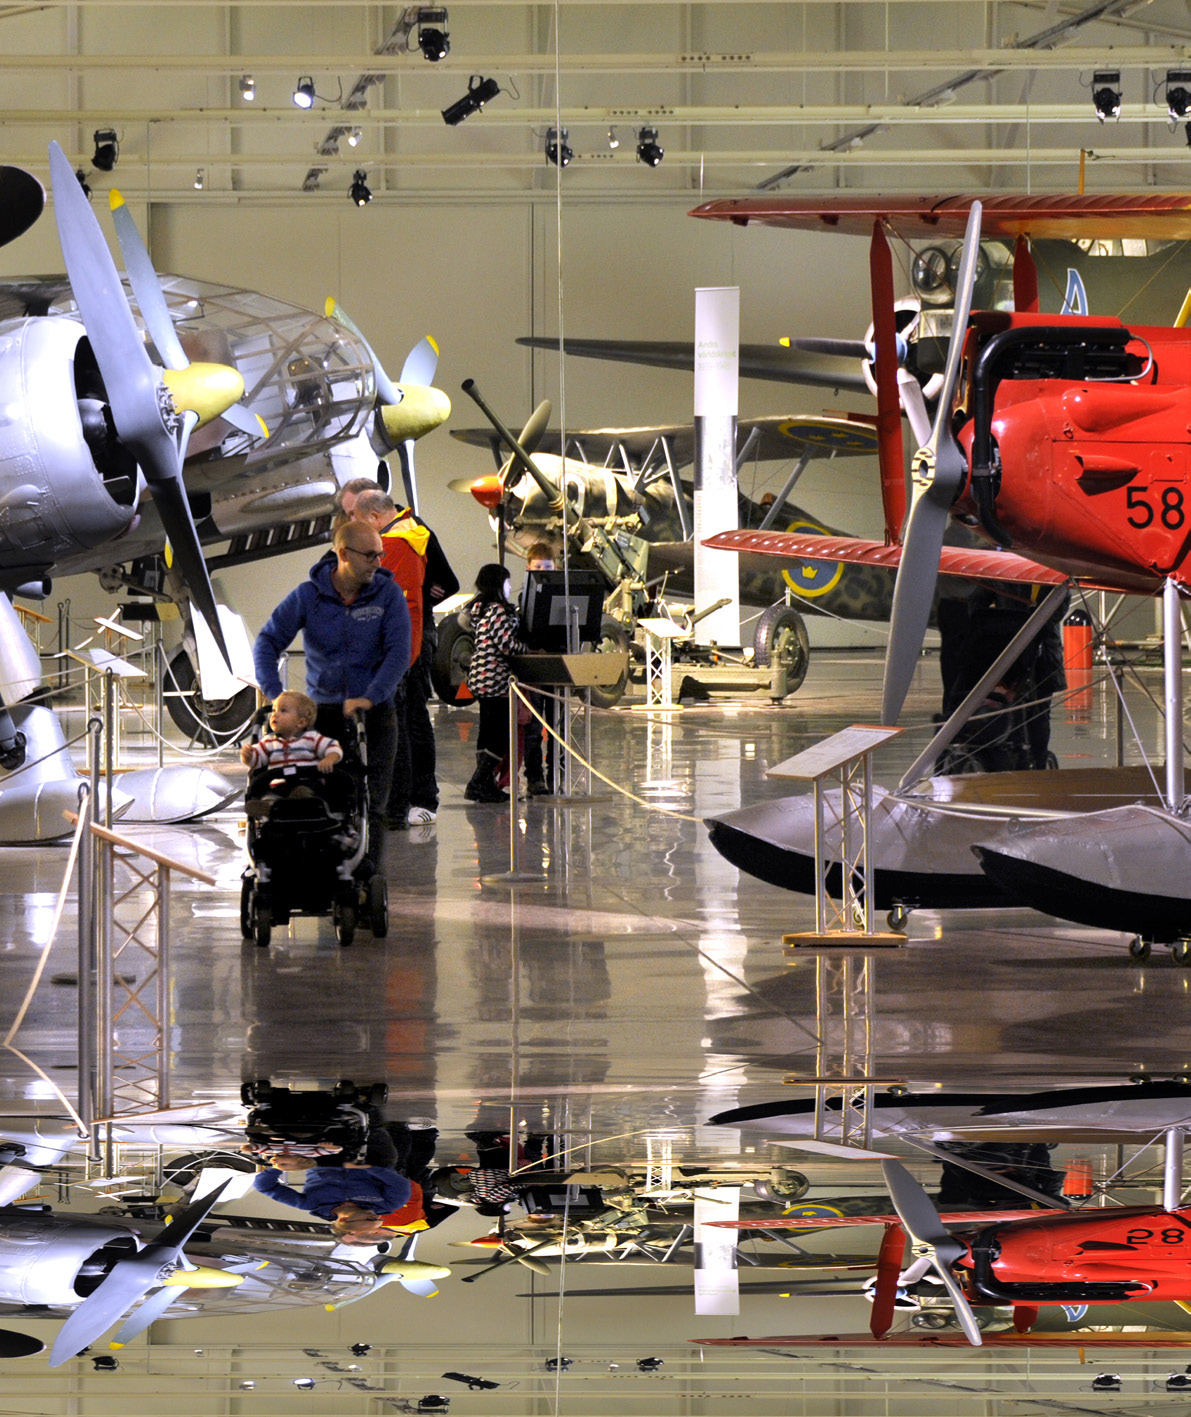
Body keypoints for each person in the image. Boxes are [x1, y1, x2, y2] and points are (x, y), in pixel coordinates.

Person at [252, 522, 411, 869]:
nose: (378, 562)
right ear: (343, 554)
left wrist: (371, 696)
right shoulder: (308, 595)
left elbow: (399, 652)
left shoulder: (388, 595)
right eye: (370, 555)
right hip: (322, 716)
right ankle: (329, 876)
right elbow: (267, 642)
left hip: (375, 715)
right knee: (326, 796)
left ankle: (369, 878)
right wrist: (275, 693)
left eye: (380, 554)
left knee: (374, 804)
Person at [464, 564, 528, 804]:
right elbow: (507, 644)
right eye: (507, 582)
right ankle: (478, 782)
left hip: (480, 679)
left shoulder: (480, 610)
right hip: (495, 680)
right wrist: (527, 650)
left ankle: (485, 784)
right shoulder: (498, 611)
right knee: (500, 735)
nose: (510, 587)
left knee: (486, 732)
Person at [239, 691, 349, 816]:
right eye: (274, 710)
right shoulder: (269, 741)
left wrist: (329, 759)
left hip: (306, 782)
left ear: (301, 722)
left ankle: (282, 809)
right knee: (269, 796)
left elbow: (332, 747)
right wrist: (248, 756)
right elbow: (258, 760)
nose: (275, 715)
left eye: (283, 711)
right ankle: (271, 807)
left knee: (302, 792)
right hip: (277, 786)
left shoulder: (312, 738)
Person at [519, 542, 558, 797]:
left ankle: (556, 774)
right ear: (528, 568)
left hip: (556, 663)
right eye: (538, 567)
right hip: (534, 666)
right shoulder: (525, 596)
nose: (543, 571)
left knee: (557, 727)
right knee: (533, 727)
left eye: (547, 567)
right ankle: (535, 777)